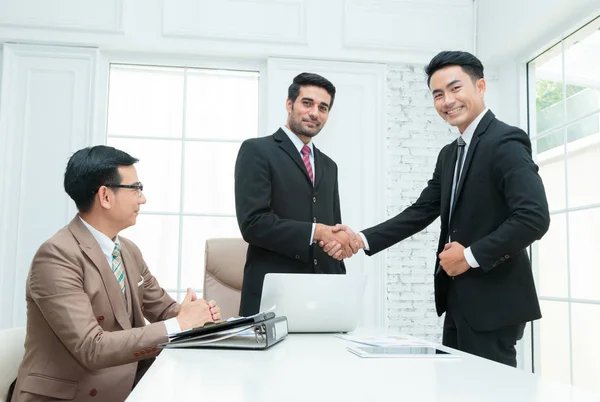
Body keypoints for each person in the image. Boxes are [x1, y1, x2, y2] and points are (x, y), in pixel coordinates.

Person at [324, 51, 550, 367]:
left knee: (488, 393)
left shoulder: (505, 141)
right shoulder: (449, 154)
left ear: (480, 86)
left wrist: (469, 257)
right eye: (438, 94)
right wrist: (359, 239)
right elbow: (420, 211)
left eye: (456, 89)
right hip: (457, 297)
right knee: (456, 390)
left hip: (495, 301)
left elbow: (533, 218)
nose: (447, 101)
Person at [10, 146, 221, 402]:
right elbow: (92, 347)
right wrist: (180, 323)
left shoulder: (129, 251)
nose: (142, 199)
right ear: (105, 196)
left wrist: (200, 318)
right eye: (136, 188)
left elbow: (166, 311)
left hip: (127, 389)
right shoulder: (56, 256)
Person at [234, 72, 358, 316]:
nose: (315, 113)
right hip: (272, 295)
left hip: (323, 297)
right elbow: (253, 224)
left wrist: (339, 247)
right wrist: (317, 232)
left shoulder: (329, 166)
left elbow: (330, 228)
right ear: (289, 104)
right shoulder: (257, 150)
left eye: (323, 108)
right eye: (307, 103)